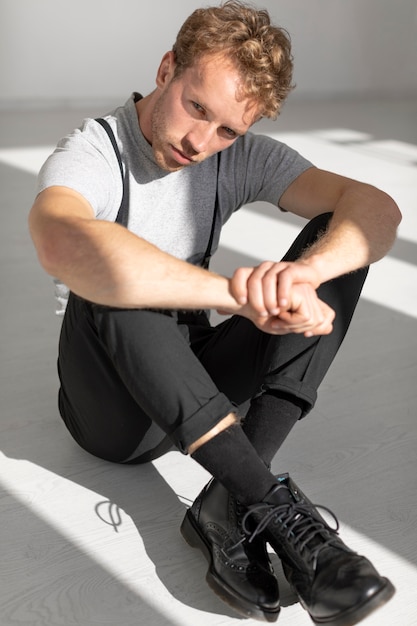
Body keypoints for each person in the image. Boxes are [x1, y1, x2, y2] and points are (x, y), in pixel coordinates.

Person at [29, 1, 401, 624]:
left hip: (191, 379)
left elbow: (376, 208)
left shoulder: (236, 156)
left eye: (227, 130)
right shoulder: (94, 151)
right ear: (168, 67)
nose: (201, 143)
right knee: (112, 269)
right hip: (109, 414)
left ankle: (226, 502)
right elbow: (59, 240)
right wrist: (239, 293)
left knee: (339, 246)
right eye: (196, 108)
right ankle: (272, 505)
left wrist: (302, 277)